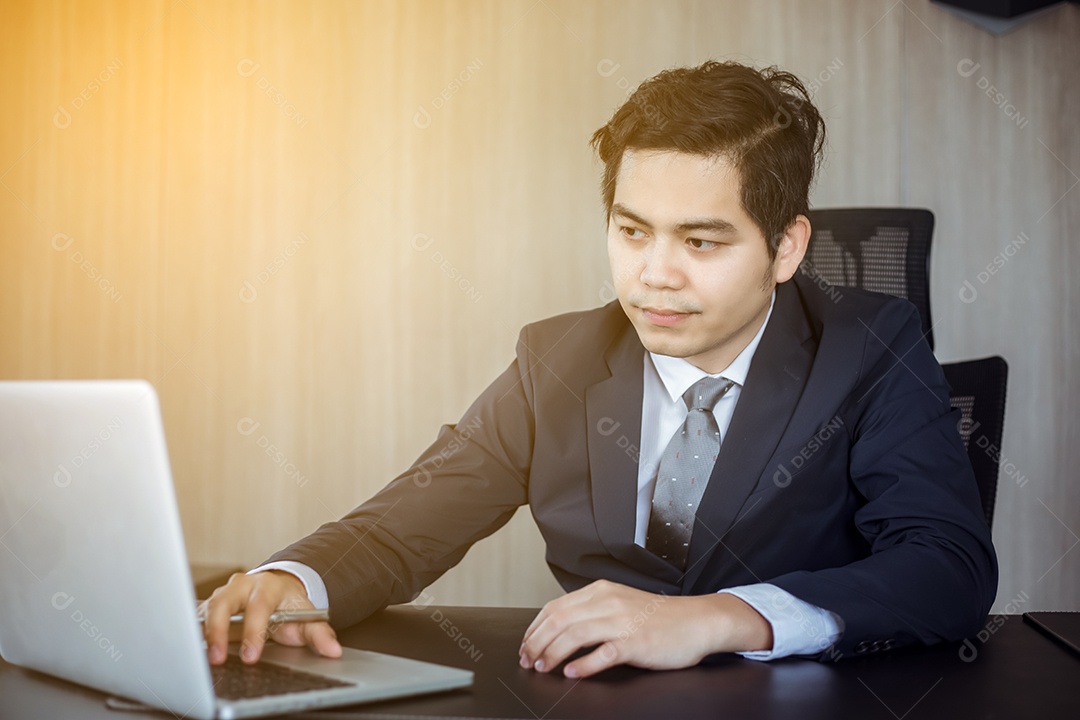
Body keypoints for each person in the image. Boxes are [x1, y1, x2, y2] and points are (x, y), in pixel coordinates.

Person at [202, 60, 997, 678]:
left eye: (701, 242)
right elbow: (406, 527)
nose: (654, 275)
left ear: (786, 247)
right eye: (631, 231)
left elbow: (947, 568)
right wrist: (297, 580)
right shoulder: (558, 360)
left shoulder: (870, 347)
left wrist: (717, 617)